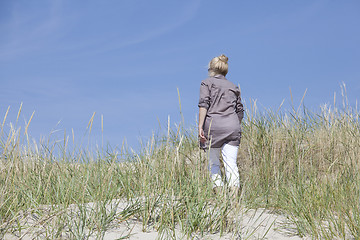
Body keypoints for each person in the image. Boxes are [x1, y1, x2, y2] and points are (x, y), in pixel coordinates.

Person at [198, 54, 244, 194]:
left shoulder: (206, 83)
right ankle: (235, 199)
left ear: (211, 69)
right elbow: (240, 110)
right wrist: (234, 124)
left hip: (213, 127)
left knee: (214, 164)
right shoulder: (233, 86)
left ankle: (220, 198)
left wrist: (200, 126)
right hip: (232, 127)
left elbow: (203, 105)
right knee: (231, 164)